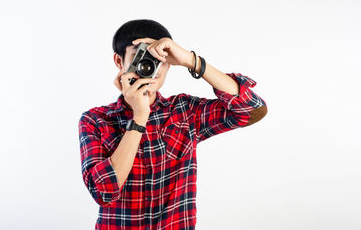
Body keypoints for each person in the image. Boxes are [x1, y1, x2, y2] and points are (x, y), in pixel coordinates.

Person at [78, 19, 268, 229]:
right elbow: (103, 191)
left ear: (169, 62)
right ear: (119, 61)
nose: (150, 66)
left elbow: (252, 109)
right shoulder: (95, 120)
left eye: (159, 58)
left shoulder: (184, 111)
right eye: (139, 56)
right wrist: (140, 116)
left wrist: (191, 60)